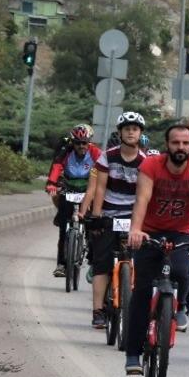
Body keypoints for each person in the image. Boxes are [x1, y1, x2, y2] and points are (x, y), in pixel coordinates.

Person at [123, 124, 189, 375]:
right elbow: (142, 198)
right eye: (176, 143)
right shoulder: (151, 165)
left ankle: (180, 307)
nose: (181, 148)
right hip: (149, 230)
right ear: (167, 144)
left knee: (182, 272)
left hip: (180, 232)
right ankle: (133, 354)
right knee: (141, 293)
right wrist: (136, 229)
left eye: (185, 143)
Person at [87, 111, 145, 329]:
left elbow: (143, 195)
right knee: (101, 263)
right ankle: (97, 310)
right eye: (127, 129)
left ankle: (135, 305)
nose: (131, 132)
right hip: (109, 213)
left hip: (132, 214)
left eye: (135, 129)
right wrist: (96, 216)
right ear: (120, 133)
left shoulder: (145, 161)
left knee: (140, 262)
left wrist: (141, 223)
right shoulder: (107, 156)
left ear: (140, 134)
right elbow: (100, 188)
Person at [46, 124, 102, 278]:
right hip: (69, 186)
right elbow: (57, 167)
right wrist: (51, 183)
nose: (81, 146)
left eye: (84, 143)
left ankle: (92, 260)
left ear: (89, 142)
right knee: (64, 230)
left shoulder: (96, 153)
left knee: (93, 228)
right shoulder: (66, 152)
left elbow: (104, 169)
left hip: (87, 188)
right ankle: (61, 265)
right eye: (77, 143)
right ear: (73, 143)